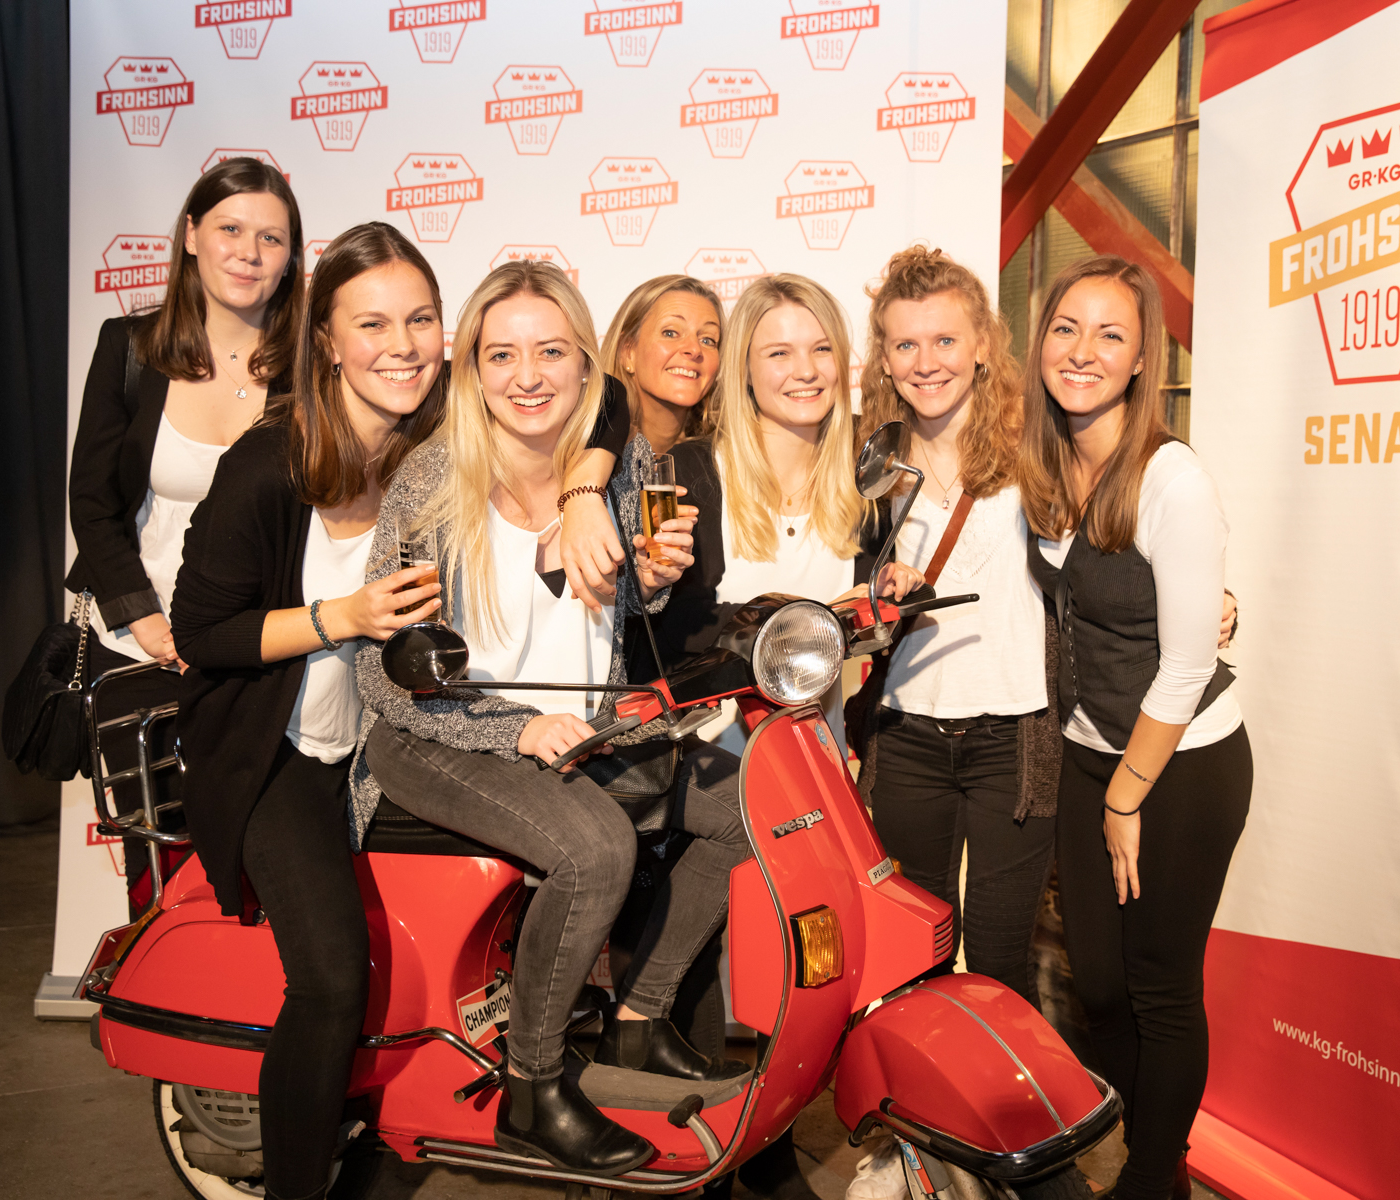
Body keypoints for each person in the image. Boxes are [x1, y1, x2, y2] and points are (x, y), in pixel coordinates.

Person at [353, 260, 750, 1178]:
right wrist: (515, 731)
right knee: (597, 850)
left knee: (750, 808)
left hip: (577, 725)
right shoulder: (430, 482)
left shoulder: (617, 466)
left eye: (550, 353)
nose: (527, 376)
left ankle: (639, 1018)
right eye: (502, 355)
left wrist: (650, 580)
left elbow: (616, 609)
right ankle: (532, 1088)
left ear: (585, 366)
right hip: (439, 732)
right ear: (471, 369)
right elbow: (386, 677)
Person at [170, 222, 452, 1200]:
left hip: (386, 742)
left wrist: (585, 490)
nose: (403, 345)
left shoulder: (436, 447)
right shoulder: (267, 464)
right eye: (373, 324)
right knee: (334, 981)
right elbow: (202, 633)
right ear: (326, 341)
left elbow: (596, 392)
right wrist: (345, 617)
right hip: (274, 757)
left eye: (421, 319)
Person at [1019, 256, 1252, 1200]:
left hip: (1181, 764)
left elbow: (1187, 665)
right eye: (1066, 328)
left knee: (1160, 986)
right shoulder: (1044, 466)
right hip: (1087, 750)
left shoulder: (1170, 478)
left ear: (1141, 358)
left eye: (1109, 334)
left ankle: (1154, 1177)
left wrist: (1126, 797)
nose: (1083, 352)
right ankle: (1157, 1151)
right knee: (1100, 988)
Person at [65, 157, 303, 905]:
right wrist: (145, 619)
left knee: (261, 858)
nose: (249, 252)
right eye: (231, 229)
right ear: (192, 235)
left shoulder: (312, 365)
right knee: (159, 859)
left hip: (258, 648)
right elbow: (91, 501)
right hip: (141, 648)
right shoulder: (131, 348)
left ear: (291, 257)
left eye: (271, 238)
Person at [848, 246, 1057, 1006]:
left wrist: (1201, 592)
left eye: (944, 340)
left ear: (981, 346)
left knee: (1001, 960)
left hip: (1015, 733)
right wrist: (878, 591)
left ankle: (1005, 1088)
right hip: (907, 736)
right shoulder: (871, 462)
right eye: (906, 344)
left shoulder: (1036, 444)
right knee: (918, 957)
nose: (926, 362)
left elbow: (1109, 537)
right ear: (884, 358)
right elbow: (848, 591)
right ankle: (924, 1088)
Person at [645, 273, 921, 754]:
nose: (806, 370)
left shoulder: (864, 477)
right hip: (704, 765)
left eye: (821, 349)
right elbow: (676, 625)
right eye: (779, 353)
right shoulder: (691, 470)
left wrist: (885, 595)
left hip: (816, 760)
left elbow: (869, 631)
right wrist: (825, 618)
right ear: (745, 370)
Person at [599, 274, 725, 453]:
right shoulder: (587, 446)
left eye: (707, 340)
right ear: (628, 352)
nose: (694, 349)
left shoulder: (724, 455)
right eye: (670, 333)